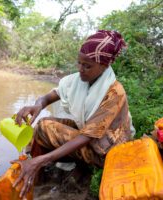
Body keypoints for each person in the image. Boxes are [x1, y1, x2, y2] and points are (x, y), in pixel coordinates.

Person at [11, 30, 135, 198]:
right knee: (43, 124)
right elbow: (48, 97)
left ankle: (36, 171)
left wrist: (43, 159)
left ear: (104, 65)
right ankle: (36, 174)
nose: (81, 69)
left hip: (108, 150)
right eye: (79, 63)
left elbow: (86, 137)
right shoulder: (76, 80)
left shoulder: (114, 92)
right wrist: (37, 105)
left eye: (87, 66)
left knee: (46, 131)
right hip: (90, 135)